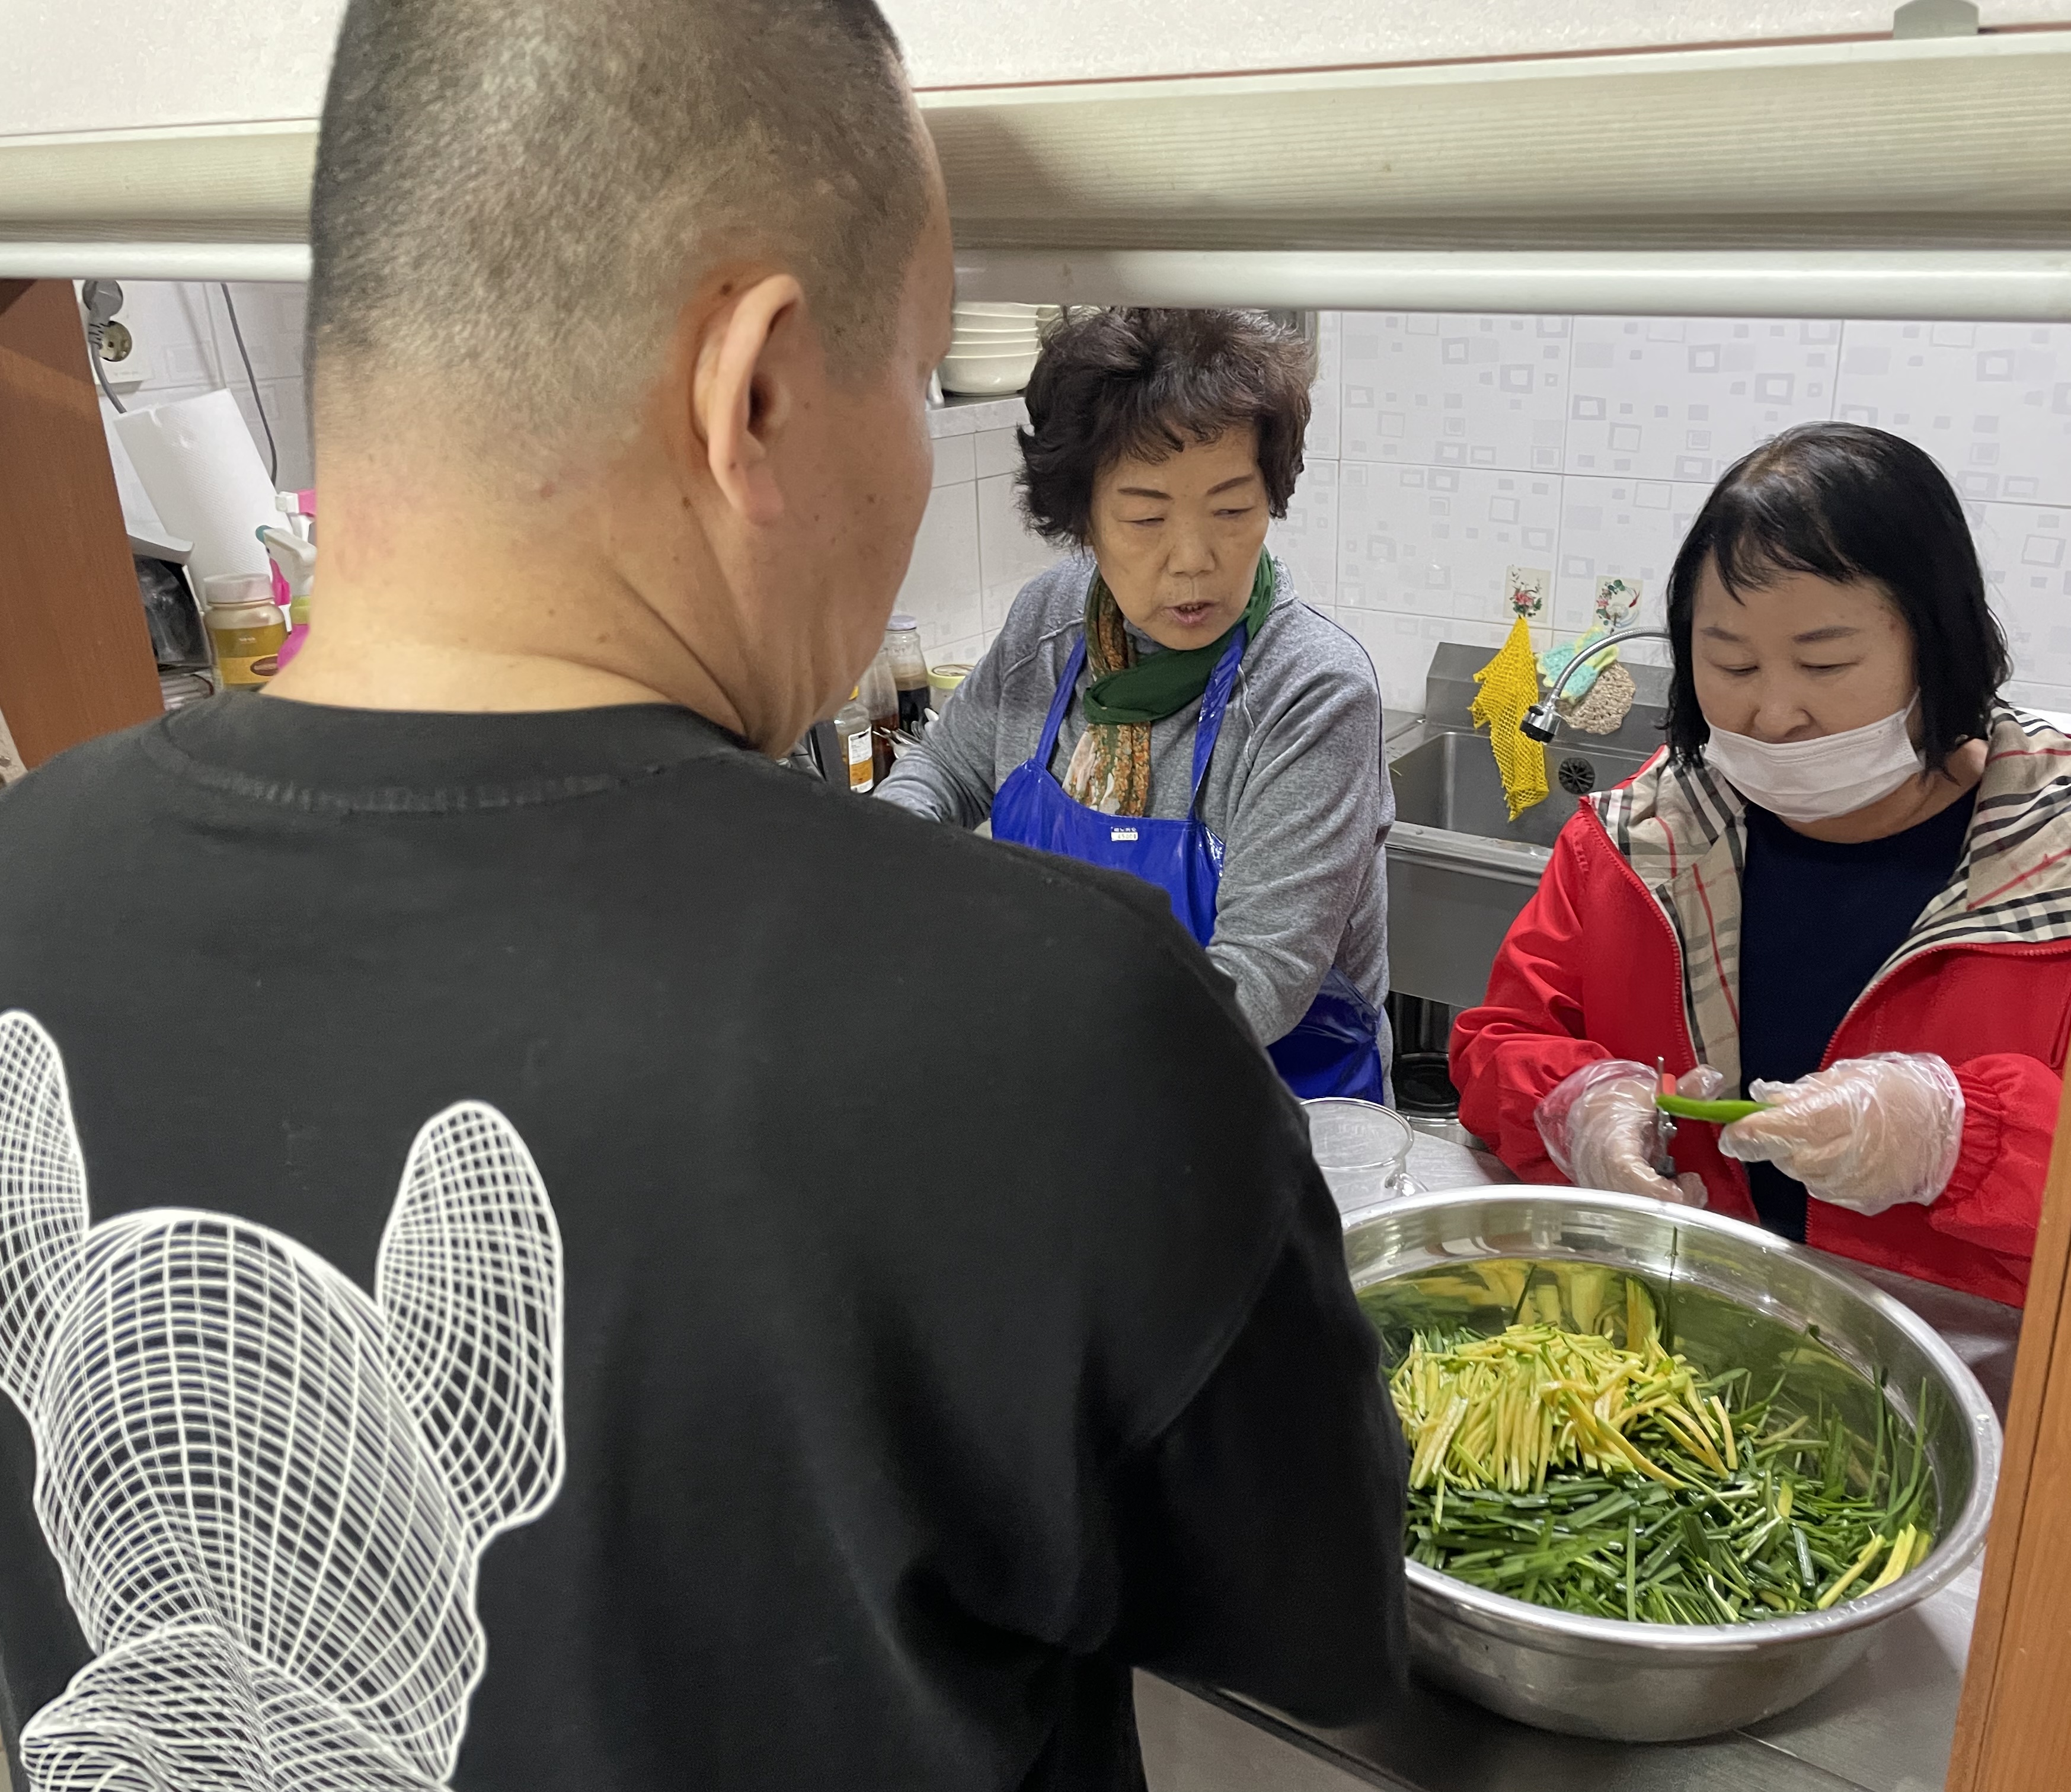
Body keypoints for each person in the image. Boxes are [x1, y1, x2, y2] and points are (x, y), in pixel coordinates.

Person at [0, 4, 1407, 1790]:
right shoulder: (1065, 1033)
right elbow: (1320, 1633)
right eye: (916, 377)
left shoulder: (22, 879)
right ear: (755, 392)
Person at [1452, 422, 2071, 1306]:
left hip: (1963, 1353)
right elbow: (1498, 1045)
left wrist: (1964, 1141)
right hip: (1683, 1332)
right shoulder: (1643, 835)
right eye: (1731, 664)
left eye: (1825, 663)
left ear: (1939, 645)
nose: (1772, 715)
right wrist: (1571, 1105)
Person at [878, 309, 1394, 1100]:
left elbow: (1260, 980)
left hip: (1274, 1113)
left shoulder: (1311, 693)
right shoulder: (1051, 627)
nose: (1193, 561)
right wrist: (875, 875)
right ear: (1082, 521)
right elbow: (944, 772)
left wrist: (1019, 1029)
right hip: (1079, 1091)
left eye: (1232, 510)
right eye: (1146, 518)